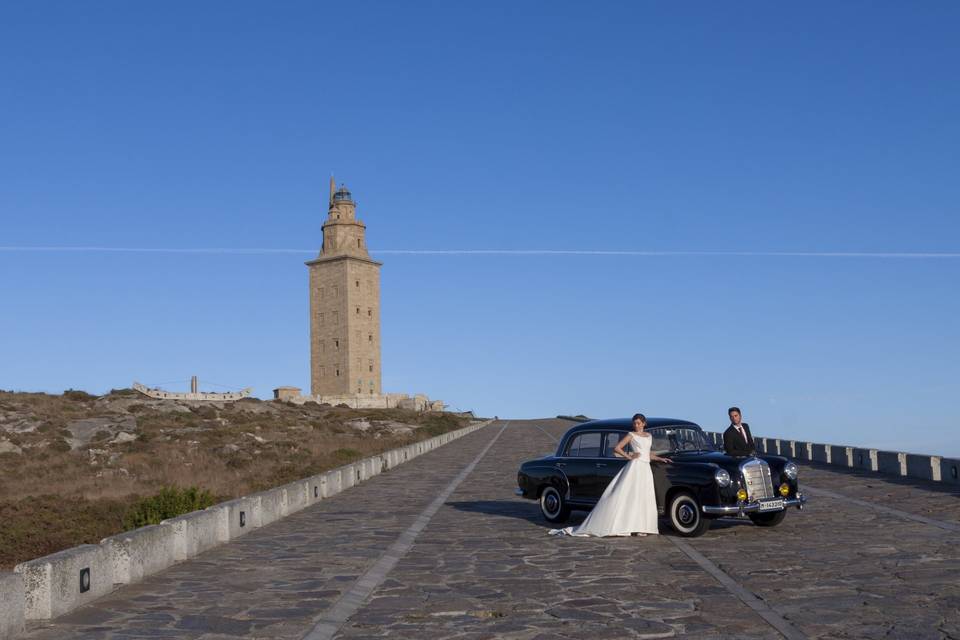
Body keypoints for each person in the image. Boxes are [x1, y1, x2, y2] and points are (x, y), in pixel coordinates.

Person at [550, 413, 671, 537]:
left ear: (644, 423)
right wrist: (629, 456)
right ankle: (631, 525)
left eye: (639, 423)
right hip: (636, 467)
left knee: (644, 496)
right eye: (634, 423)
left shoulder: (648, 435)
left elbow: (647, 453)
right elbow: (617, 448)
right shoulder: (631, 435)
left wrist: (660, 459)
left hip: (645, 468)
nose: (636, 425)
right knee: (633, 496)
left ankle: (643, 526)